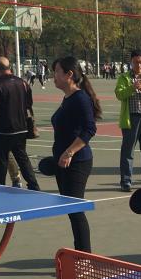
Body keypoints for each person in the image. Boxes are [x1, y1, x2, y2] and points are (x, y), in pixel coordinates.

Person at [50, 56, 99, 252]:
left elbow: (90, 129)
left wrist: (69, 152)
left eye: (57, 72)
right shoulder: (68, 98)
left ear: (69, 74)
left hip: (78, 162)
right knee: (71, 211)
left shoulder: (80, 98)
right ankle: (80, 253)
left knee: (76, 211)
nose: (53, 76)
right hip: (63, 163)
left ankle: (84, 257)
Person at [0, 57, 40, 191]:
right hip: (21, 128)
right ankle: (33, 185)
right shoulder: (22, 83)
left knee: (0, 163)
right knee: (23, 159)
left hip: (2, 131)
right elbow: (29, 103)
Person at [114, 50, 141, 191]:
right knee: (128, 151)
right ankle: (126, 181)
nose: (139, 65)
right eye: (136, 62)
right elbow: (119, 94)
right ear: (131, 62)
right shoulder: (124, 77)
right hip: (131, 118)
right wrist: (132, 88)